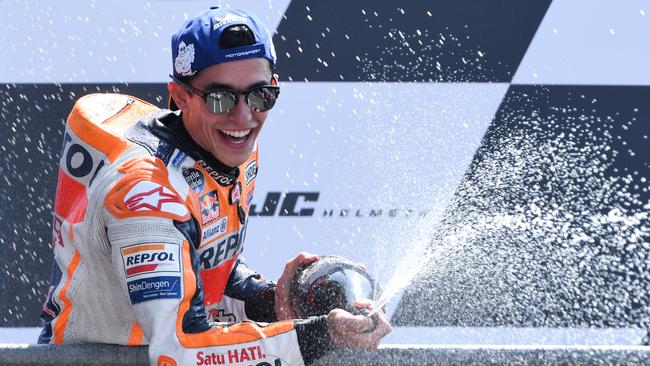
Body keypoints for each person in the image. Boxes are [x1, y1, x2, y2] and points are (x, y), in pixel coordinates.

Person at [38, 7, 391, 365]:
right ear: (180, 96)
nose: (243, 118)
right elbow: (177, 351)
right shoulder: (144, 196)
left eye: (260, 96)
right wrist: (321, 333)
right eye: (220, 98)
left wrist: (270, 300)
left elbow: (199, 266)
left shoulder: (228, 148)